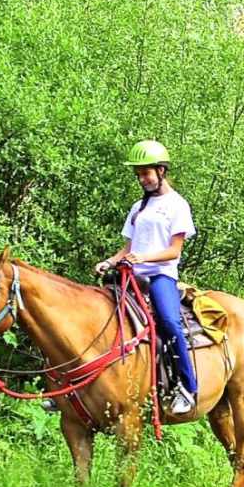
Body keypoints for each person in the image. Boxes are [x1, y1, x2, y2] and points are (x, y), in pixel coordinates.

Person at [95, 139, 199, 415]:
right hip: (131, 276)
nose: (142, 179)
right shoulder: (138, 208)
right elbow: (127, 248)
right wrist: (108, 262)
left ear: (161, 170)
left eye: (146, 173)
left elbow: (174, 251)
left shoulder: (177, 205)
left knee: (169, 322)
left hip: (160, 276)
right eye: (138, 174)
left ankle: (187, 387)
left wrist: (144, 258)